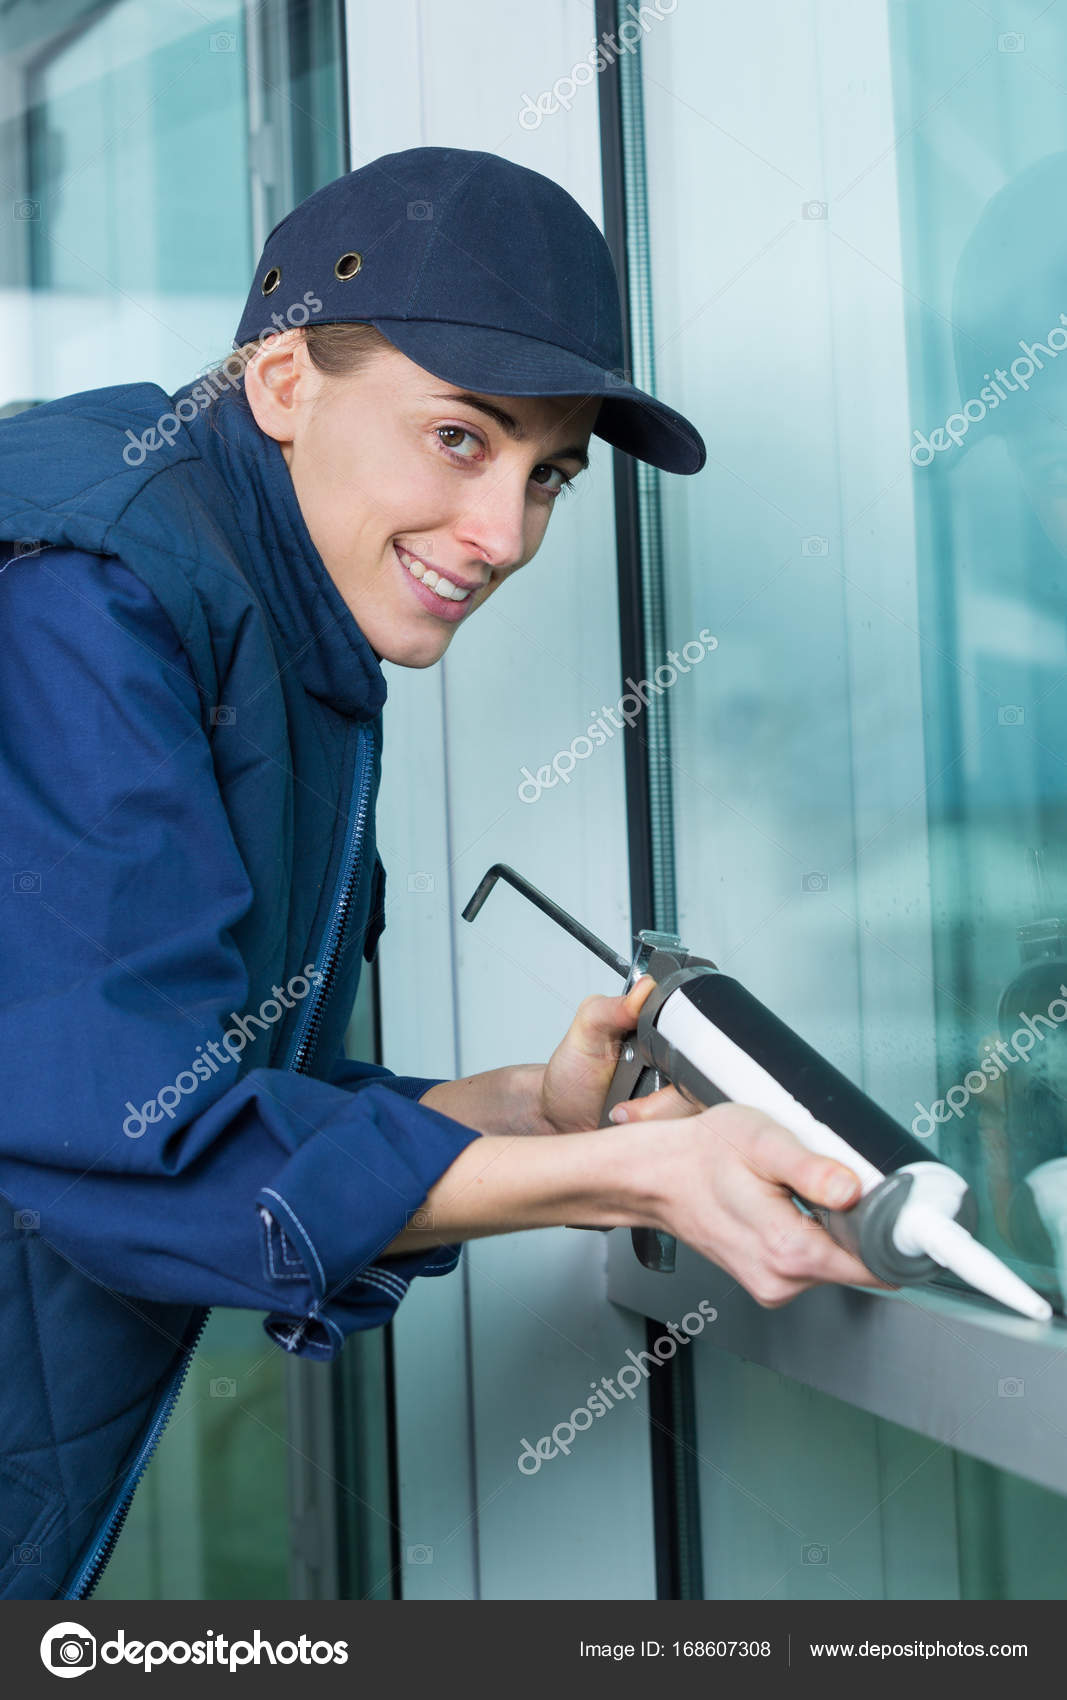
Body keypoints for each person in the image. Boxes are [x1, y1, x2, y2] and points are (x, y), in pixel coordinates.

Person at [0, 145, 878, 1602]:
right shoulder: (91, 597)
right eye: (462, 439)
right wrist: (626, 1174)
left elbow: (173, 1085)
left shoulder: (271, 608)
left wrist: (521, 1115)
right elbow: (121, 1143)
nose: (504, 536)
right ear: (285, 380)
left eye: (548, 477)